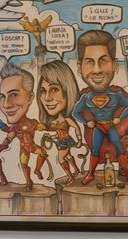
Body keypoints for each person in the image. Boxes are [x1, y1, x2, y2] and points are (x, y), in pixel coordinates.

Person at [71, 29, 128, 175]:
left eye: (103, 61)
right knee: (95, 151)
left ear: (114, 65)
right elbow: (74, 112)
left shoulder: (117, 94)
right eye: (89, 62)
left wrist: (118, 118)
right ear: (79, 67)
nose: (97, 70)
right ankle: (90, 174)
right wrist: (85, 121)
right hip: (98, 128)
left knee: (119, 148)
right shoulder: (85, 97)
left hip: (110, 126)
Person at [27, 57, 85, 188]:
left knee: (61, 159)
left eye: (54, 89)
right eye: (43, 91)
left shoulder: (68, 119)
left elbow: (76, 128)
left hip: (65, 141)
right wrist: (44, 129)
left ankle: (70, 176)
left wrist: (80, 140)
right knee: (68, 156)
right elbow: (52, 129)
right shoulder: (54, 121)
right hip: (60, 142)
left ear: (68, 90)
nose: (47, 98)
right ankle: (76, 170)